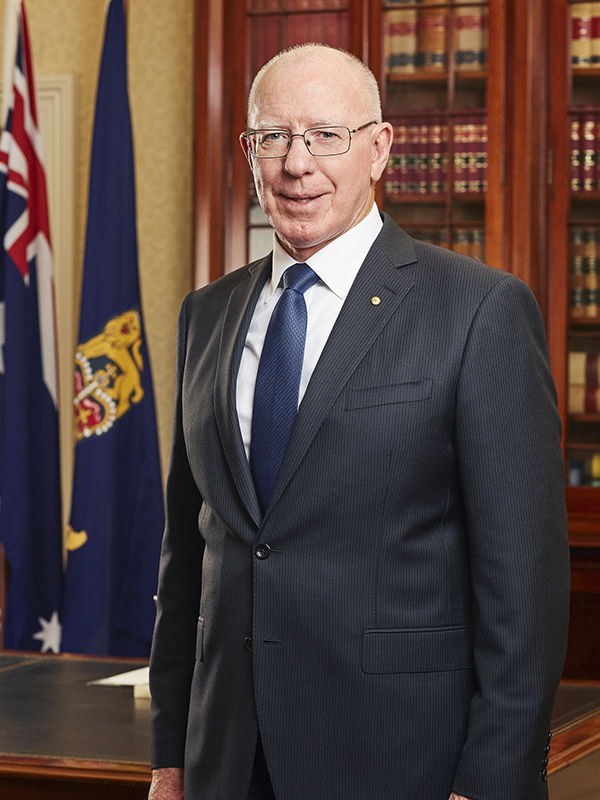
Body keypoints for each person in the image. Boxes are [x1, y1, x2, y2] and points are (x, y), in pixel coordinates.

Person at [148, 44, 570, 800]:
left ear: (378, 149)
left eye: (325, 136)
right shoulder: (206, 316)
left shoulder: (477, 311)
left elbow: (524, 592)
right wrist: (170, 760)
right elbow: (189, 563)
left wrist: (492, 782)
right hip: (227, 763)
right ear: (249, 153)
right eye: (272, 136)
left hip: (403, 762)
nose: (296, 163)